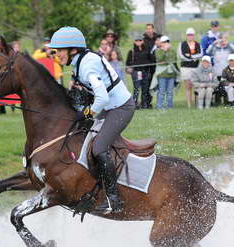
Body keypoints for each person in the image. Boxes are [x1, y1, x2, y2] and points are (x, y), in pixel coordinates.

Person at [49, 26, 134, 214]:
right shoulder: (80, 61)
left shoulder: (87, 66)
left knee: (99, 148)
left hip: (121, 108)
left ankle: (114, 199)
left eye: (59, 50)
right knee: (82, 140)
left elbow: (102, 98)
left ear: (73, 50)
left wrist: (86, 113)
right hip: (108, 108)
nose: (56, 55)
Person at [125, 33, 154, 109]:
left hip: (146, 72)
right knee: (137, 89)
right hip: (136, 72)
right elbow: (128, 63)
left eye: (140, 40)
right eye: (136, 40)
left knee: (145, 89)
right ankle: (135, 104)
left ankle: (144, 104)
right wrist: (130, 68)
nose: (138, 41)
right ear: (134, 42)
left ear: (142, 41)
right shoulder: (132, 51)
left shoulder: (147, 50)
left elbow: (151, 61)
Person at [178, 27, 203, 108]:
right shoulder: (182, 44)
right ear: (186, 35)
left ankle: (196, 103)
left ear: (194, 35)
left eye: (191, 35)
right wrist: (193, 58)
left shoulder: (198, 44)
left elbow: (201, 54)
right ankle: (189, 104)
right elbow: (181, 56)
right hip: (185, 67)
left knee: (196, 86)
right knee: (188, 86)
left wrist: (191, 56)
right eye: (188, 35)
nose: (190, 36)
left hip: (196, 67)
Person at [154, 35, 178, 109]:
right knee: (161, 91)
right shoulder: (158, 51)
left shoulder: (172, 51)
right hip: (162, 75)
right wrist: (164, 51)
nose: (166, 43)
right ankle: (159, 106)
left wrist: (166, 55)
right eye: (164, 42)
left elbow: (172, 59)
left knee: (170, 92)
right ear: (161, 43)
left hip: (171, 75)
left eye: (167, 42)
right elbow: (160, 59)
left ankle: (169, 106)